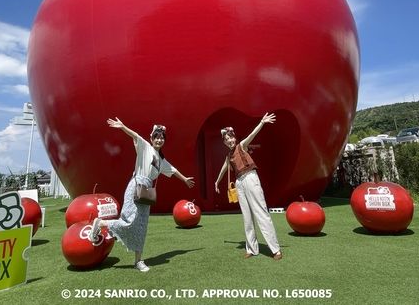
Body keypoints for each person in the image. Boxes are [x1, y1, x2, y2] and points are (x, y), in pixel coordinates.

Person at [91, 117, 195, 272]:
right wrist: (123, 126)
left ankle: (138, 261)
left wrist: (185, 179)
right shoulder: (145, 147)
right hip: (136, 187)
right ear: (151, 138)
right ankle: (101, 224)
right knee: (129, 221)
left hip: (146, 193)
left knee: (141, 227)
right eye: (156, 137)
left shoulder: (161, 160)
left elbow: (173, 170)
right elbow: (135, 136)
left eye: (161, 138)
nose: (159, 140)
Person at [214, 112, 282, 260]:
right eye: (226, 139)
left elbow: (252, 134)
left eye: (231, 137)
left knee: (261, 212)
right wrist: (217, 181)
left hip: (250, 177)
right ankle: (251, 249)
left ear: (234, 137)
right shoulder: (229, 156)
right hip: (240, 183)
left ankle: (275, 249)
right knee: (247, 217)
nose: (230, 140)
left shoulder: (241, 146)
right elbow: (223, 168)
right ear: (224, 142)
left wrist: (262, 122)